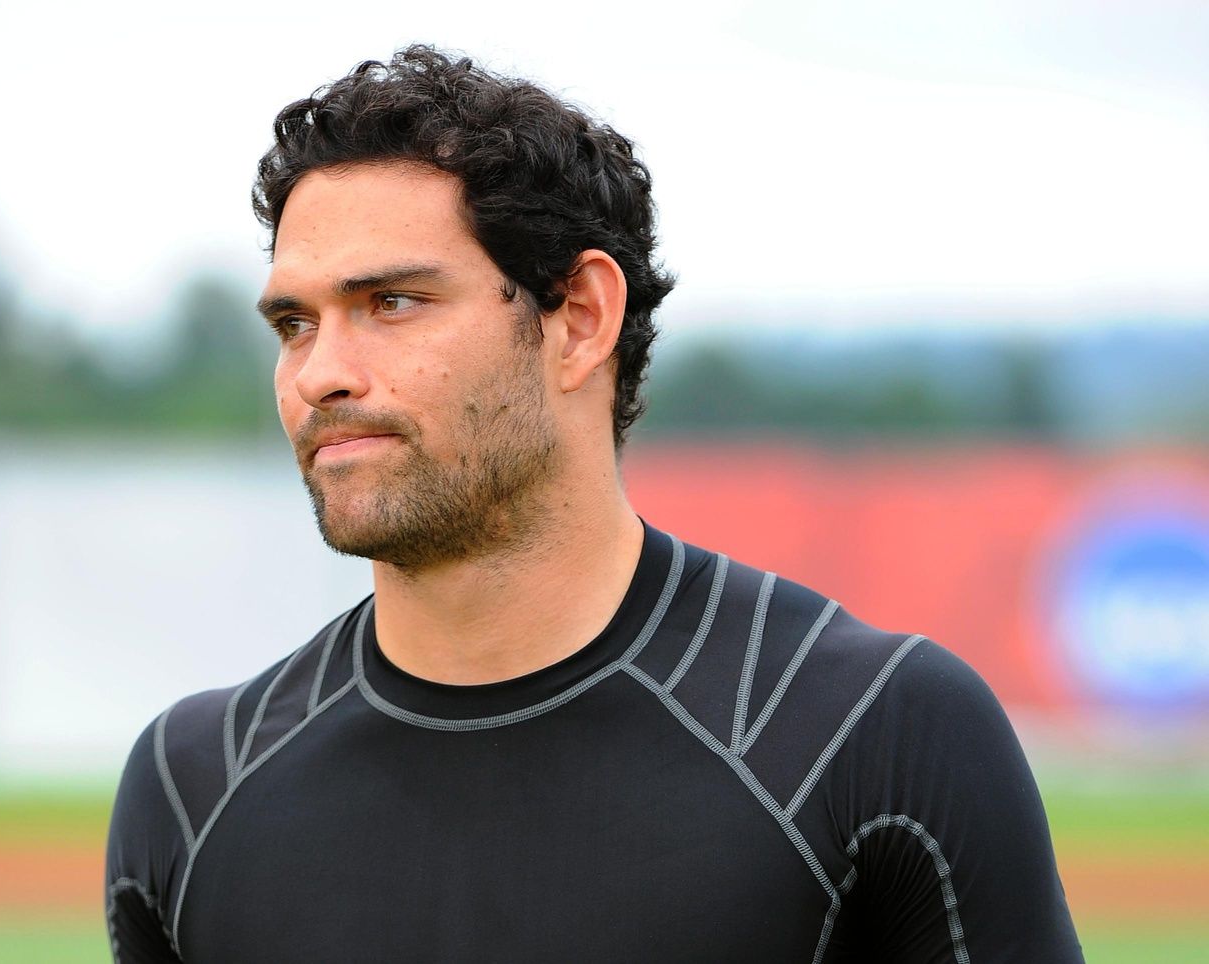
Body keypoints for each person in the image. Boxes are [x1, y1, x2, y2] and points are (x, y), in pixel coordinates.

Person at [105, 46, 1083, 963]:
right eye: (293, 322)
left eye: (391, 302)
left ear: (578, 319)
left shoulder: (869, 740)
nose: (320, 373)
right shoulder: (195, 788)